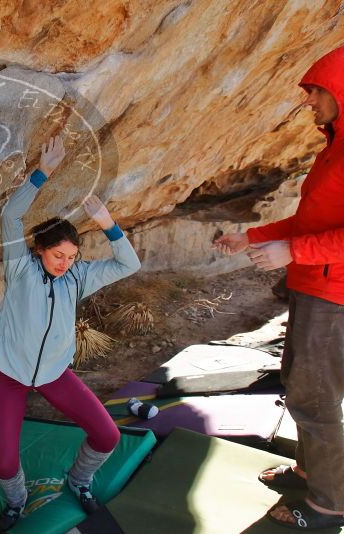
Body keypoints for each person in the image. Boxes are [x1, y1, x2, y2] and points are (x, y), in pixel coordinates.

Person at [0, 135, 141, 531]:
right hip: (11, 374)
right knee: (4, 461)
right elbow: (9, 218)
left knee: (107, 436)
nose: (64, 264)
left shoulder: (78, 277)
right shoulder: (20, 268)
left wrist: (108, 225)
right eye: (57, 255)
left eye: (71, 257)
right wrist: (43, 173)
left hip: (55, 373)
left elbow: (129, 264)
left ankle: (80, 480)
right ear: (39, 250)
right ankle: (16, 503)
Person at [214, 46, 344, 530]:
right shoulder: (335, 146)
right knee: (300, 382)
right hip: (314, 287)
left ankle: (329, 506)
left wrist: (293, 253)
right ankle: (311, 470)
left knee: (315, 396)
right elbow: (311, 220)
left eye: (315, 90)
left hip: (334, 296)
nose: (308, 100)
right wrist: (252, 235)